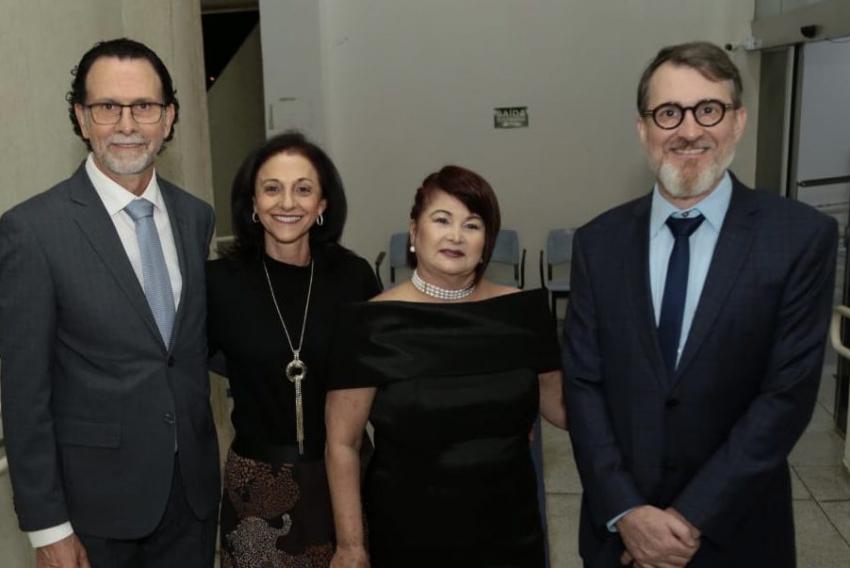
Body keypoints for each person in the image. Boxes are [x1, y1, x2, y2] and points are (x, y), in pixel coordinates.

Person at [563, 41, 838, 568]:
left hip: (738, 532)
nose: (689, 130)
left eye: (708, 109)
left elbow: (787, 396)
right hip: (619, 537)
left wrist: (689, 518)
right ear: (643, 129)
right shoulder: (598, 243)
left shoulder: (800, 238)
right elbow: (582, 384)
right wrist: (627, 511)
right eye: (668, 113)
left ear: (738, 121)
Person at [0, 38, 220, 567]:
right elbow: (24, 394)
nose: (127, 124)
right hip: (92, 515)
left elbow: (187, 351)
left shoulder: (195, 217)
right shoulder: (32, 231)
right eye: (106, 107)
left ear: (168, 117)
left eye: (144, 106)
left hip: (191, 501)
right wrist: (47, 527)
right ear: (81, 117)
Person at [325, 165, 567, 567]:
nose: (456, 236)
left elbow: (562, 407)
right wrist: (351, 546)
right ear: (414, 231)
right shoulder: (368, 324)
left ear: (486, 242)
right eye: (442, 220)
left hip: (510, 530)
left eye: (472, 225)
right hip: (409, 533)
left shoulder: (522, 313)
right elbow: (342, 444)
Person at [207, 131, 380, 567]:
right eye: (272, 189)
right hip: (256, 488)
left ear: (322, 205)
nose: (287, 203)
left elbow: (383, 377)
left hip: (346, 481)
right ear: (252, 202)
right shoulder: (219, 283)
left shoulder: (353, 277)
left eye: (303, 189)